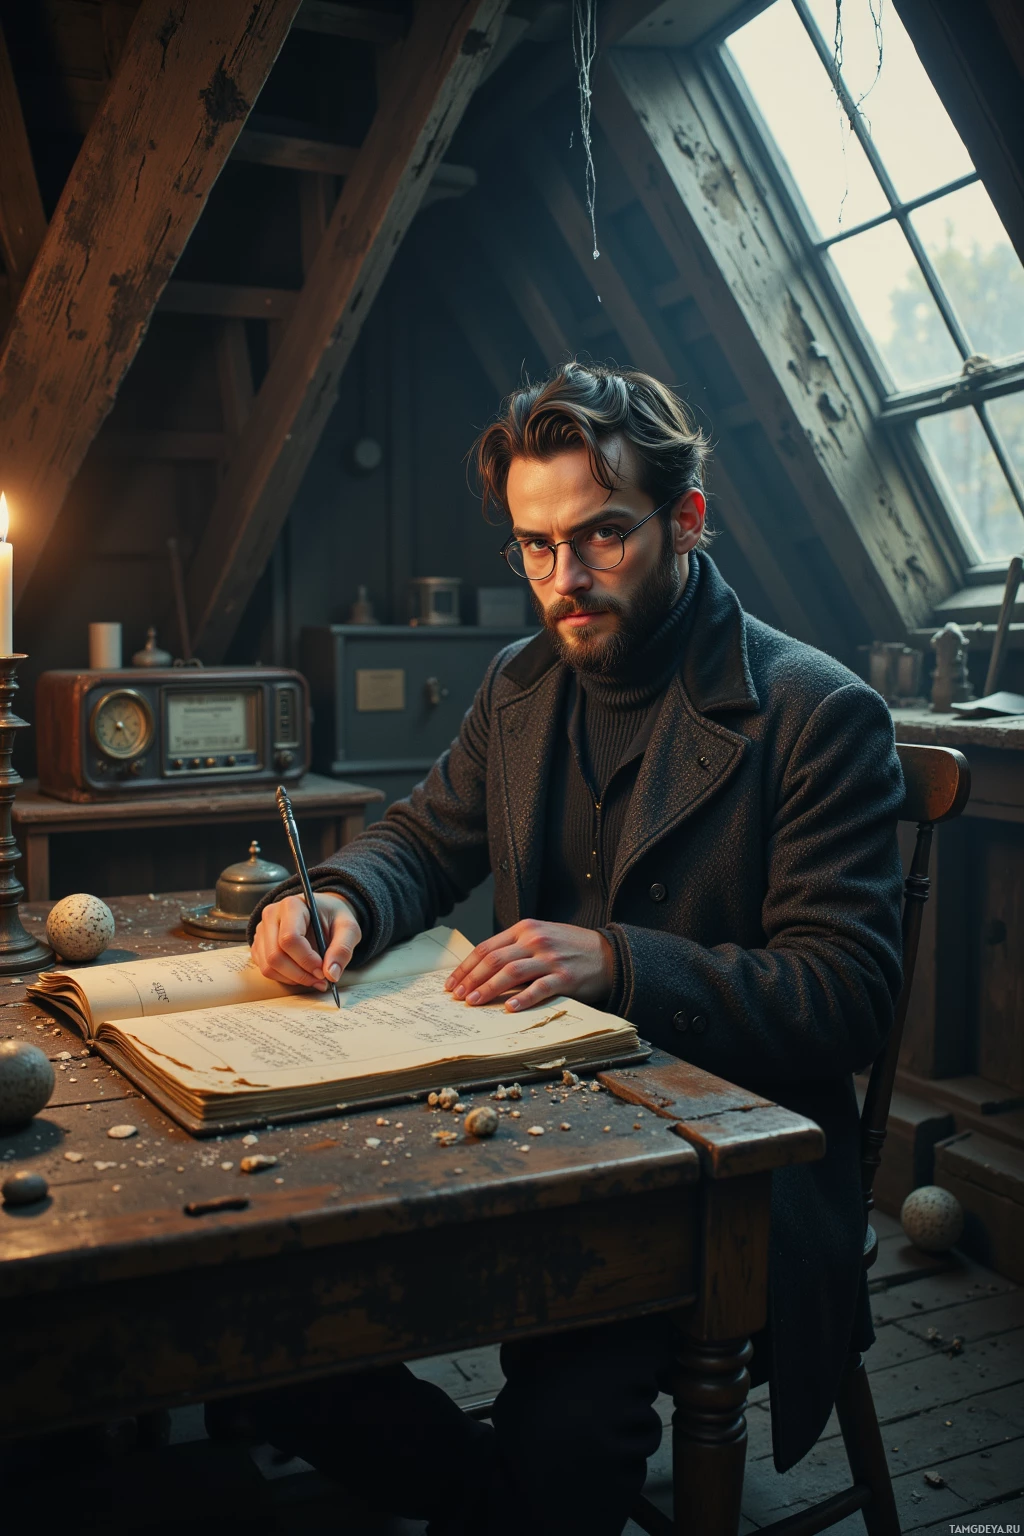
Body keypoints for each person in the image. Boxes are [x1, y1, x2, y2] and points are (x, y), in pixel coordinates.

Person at [245, 363, 904, 1536]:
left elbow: (845, 995)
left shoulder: (817, 712)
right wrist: (339, 898)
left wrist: (621, 962)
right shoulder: (520, 683)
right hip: (532, 1133)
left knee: (561, 1425)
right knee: (270, 1329)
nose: (566, 580)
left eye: (601, 536)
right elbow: (420, 838)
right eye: (536, 548)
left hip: (725, 1172)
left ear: (686, 521)